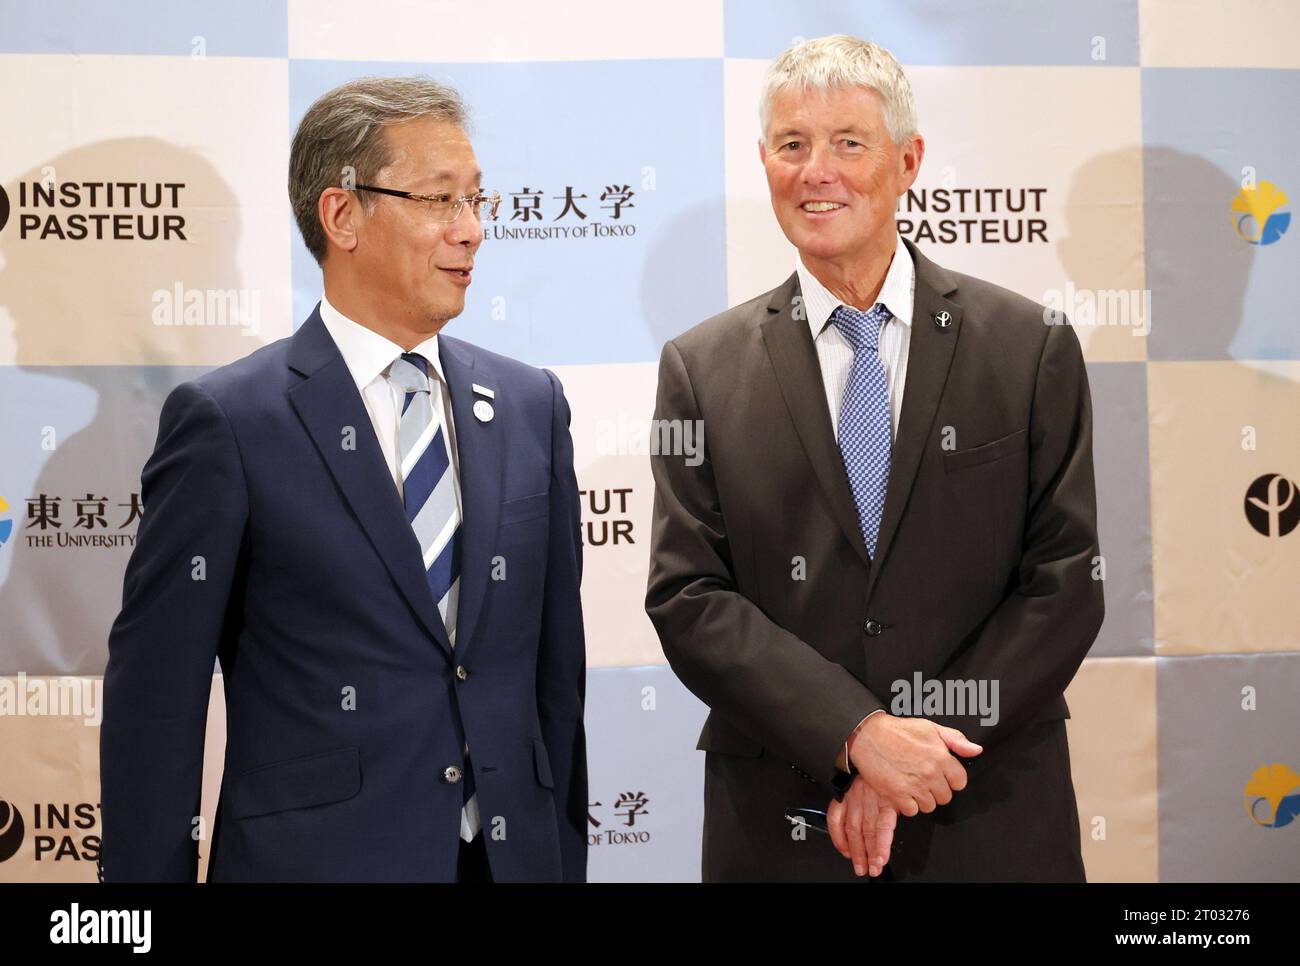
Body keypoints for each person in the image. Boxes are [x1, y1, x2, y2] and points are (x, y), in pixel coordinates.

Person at [100, 76, 588, 883]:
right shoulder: (230, 421)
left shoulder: (532, 403)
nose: (469, 231)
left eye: (476, 200)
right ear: (342, 215)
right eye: (439, 200)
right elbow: (158, 701)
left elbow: (554, 685)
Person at [645, 35, 1103, 882]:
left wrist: (914, 756)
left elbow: (1067, 581)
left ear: (908, 160)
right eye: (792, 145)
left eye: (849, 142)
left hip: (987, 804)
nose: (818, 169)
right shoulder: (700, 368)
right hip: (783, 816)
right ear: (764, 163)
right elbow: (689, 595)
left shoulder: (1027, 346)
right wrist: (857, 735)